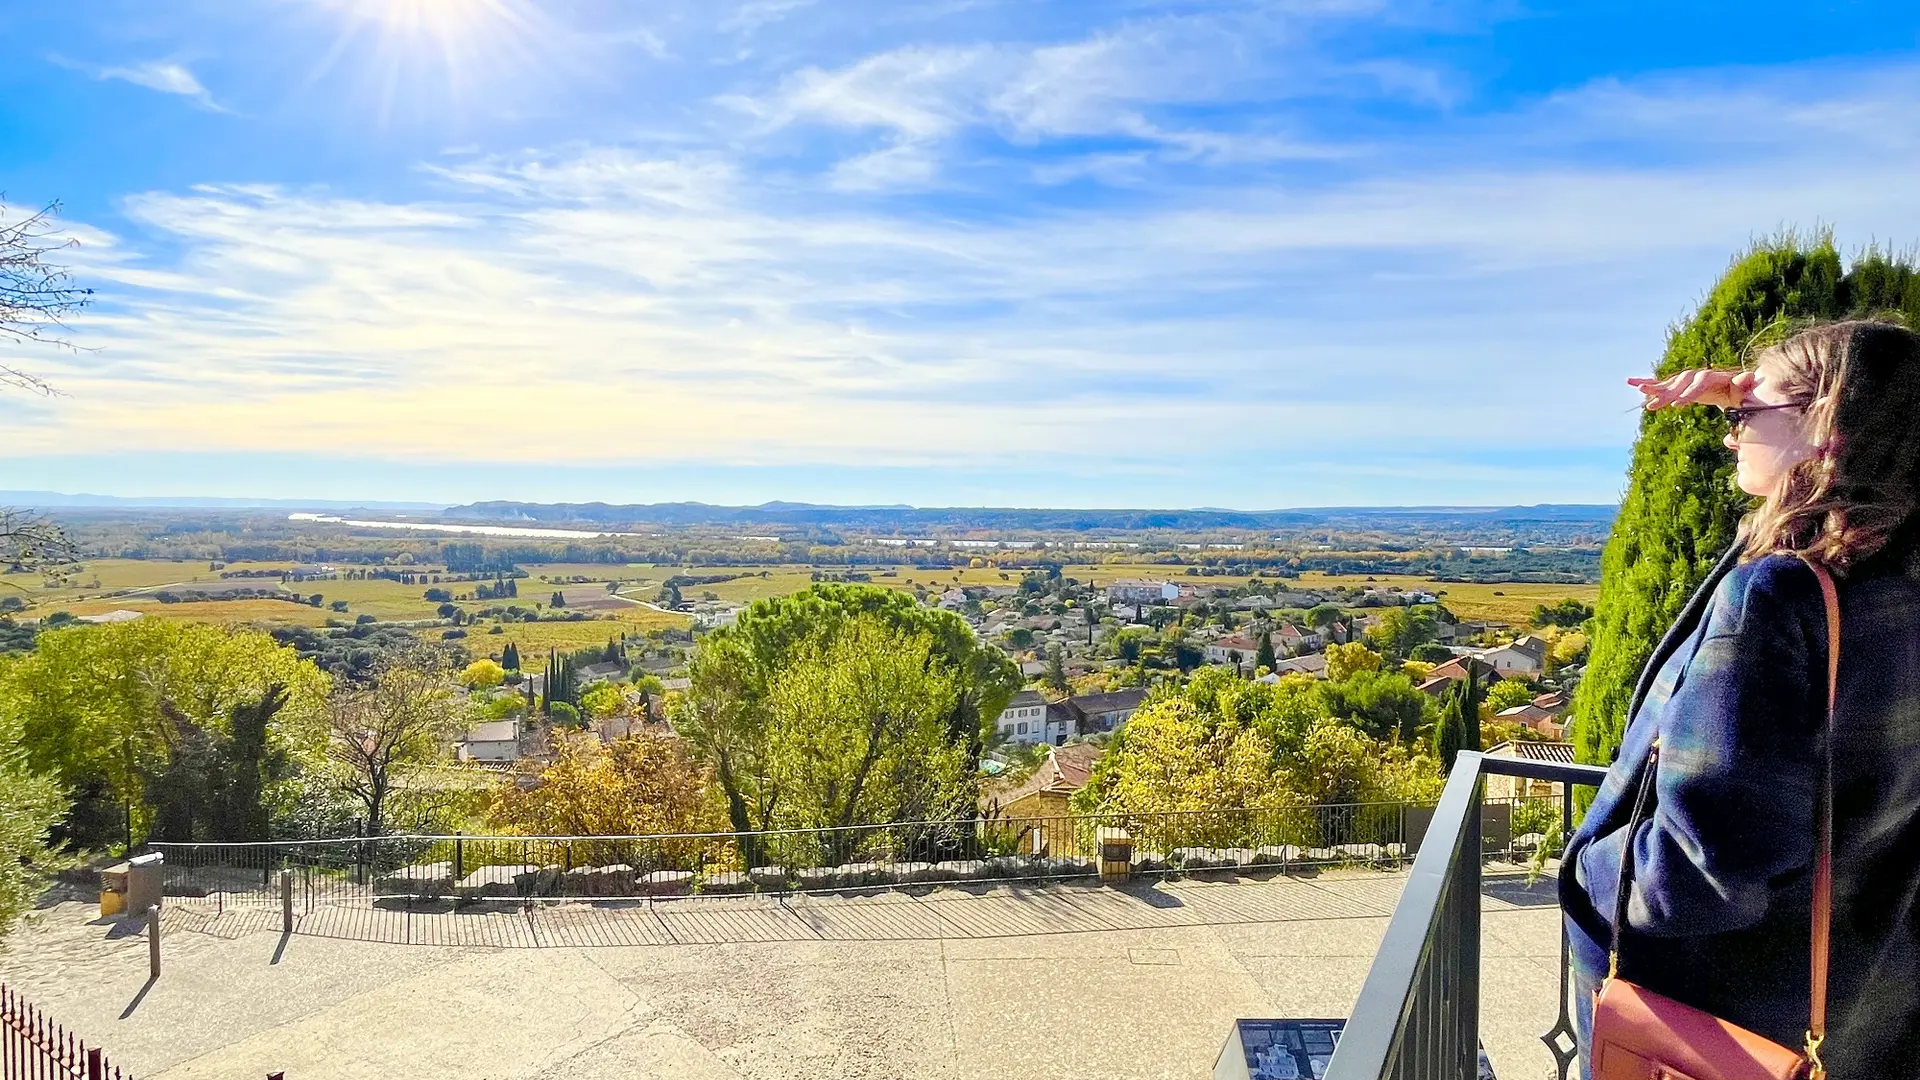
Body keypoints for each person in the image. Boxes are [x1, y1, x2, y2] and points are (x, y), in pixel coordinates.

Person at [1561, 320, 1920, 1078]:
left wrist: (1589, 862)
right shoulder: (1895, 583)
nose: (1728, 437)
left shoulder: (1777, 598)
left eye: (1741, 418)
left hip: (1728, 1029)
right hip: (1864, 1010)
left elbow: (1697, 873)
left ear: (1827, 425)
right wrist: (1757, 399)